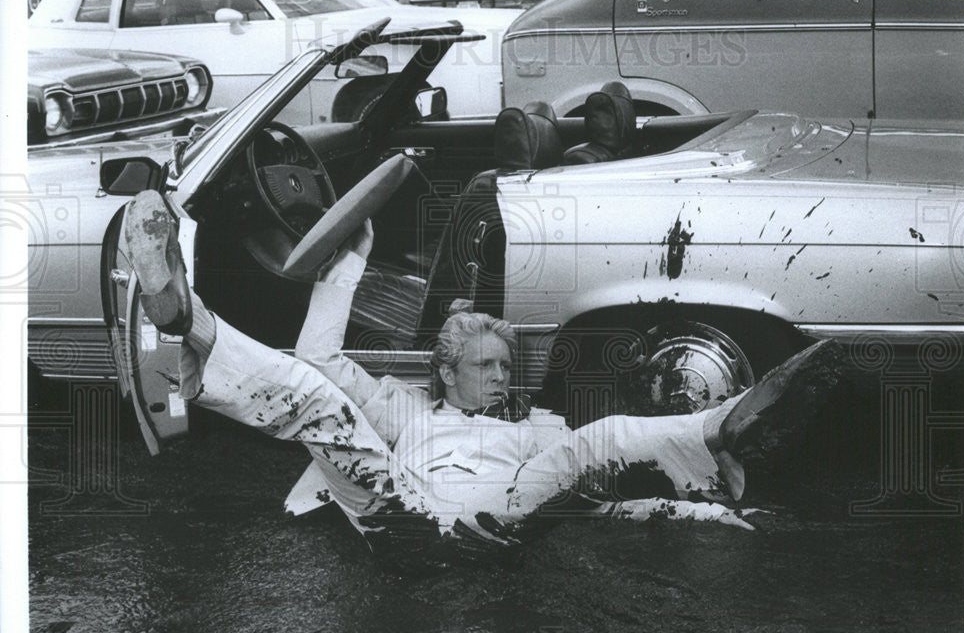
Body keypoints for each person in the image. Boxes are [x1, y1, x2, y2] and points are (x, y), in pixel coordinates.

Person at [124, 190, 844, 564]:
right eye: (487, 366)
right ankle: (187, 317)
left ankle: (733, 423)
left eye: (508, 365)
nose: (503, 377)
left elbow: (588, 489)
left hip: (506, 522)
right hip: (403, 519)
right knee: (320, 402)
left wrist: (698, 514)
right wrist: (348, 259)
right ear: (445, 370)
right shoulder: (406, 411)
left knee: (601, 439)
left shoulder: (537, 429)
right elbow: (318, 363)